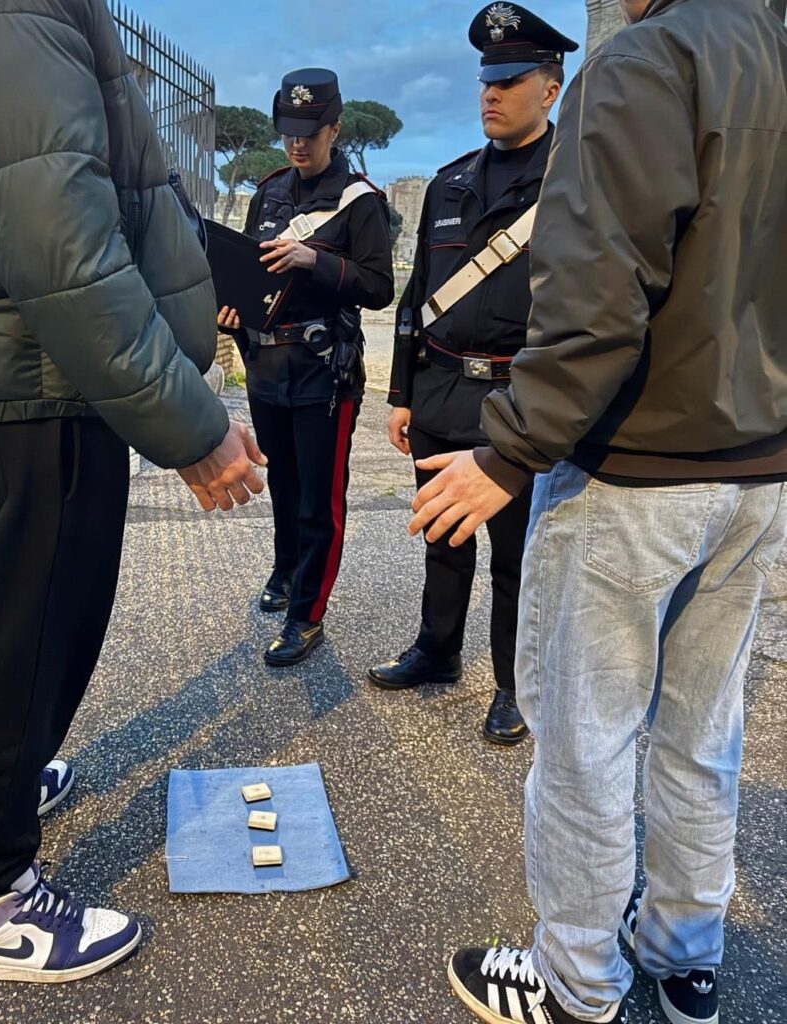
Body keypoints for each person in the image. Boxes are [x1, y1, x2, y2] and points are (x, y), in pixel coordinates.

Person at [0, 0, 265, 983]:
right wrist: (192, 428)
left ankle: (4, 781)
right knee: (34, 629)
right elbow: (56, 237)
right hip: (26, 379)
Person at [407, 1, 787, 1022]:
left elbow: (592, 293)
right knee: (702, 735)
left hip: (634, 466)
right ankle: (682, 956)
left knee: (584, 744)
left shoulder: (640, 66)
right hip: (757, 469)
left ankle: (577, 984)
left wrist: (511, 444)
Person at [368, 5, 578, 747]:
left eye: (510, 79)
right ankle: (437, 650)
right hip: (442, 389)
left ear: (550, 90)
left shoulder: (573, 182)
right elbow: (415, 296)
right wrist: (399, 393)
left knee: (519, 555)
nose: (491, 93)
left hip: (520, 399)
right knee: (442, 537)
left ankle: (514, 685)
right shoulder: (451, 182)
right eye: (486, 80)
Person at [218, 68, 394, 667]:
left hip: (324, 371)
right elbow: (245, 272)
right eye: (289, 131)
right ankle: (286, 570)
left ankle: (307, 615)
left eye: (310, 132)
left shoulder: (360, 200)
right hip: (267, 365)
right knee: (286, 487)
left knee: (321, 499)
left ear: (335, 129)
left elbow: (378, 287)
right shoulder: (268, 191)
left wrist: (313, 260)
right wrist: (230, 310)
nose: (298, 144)